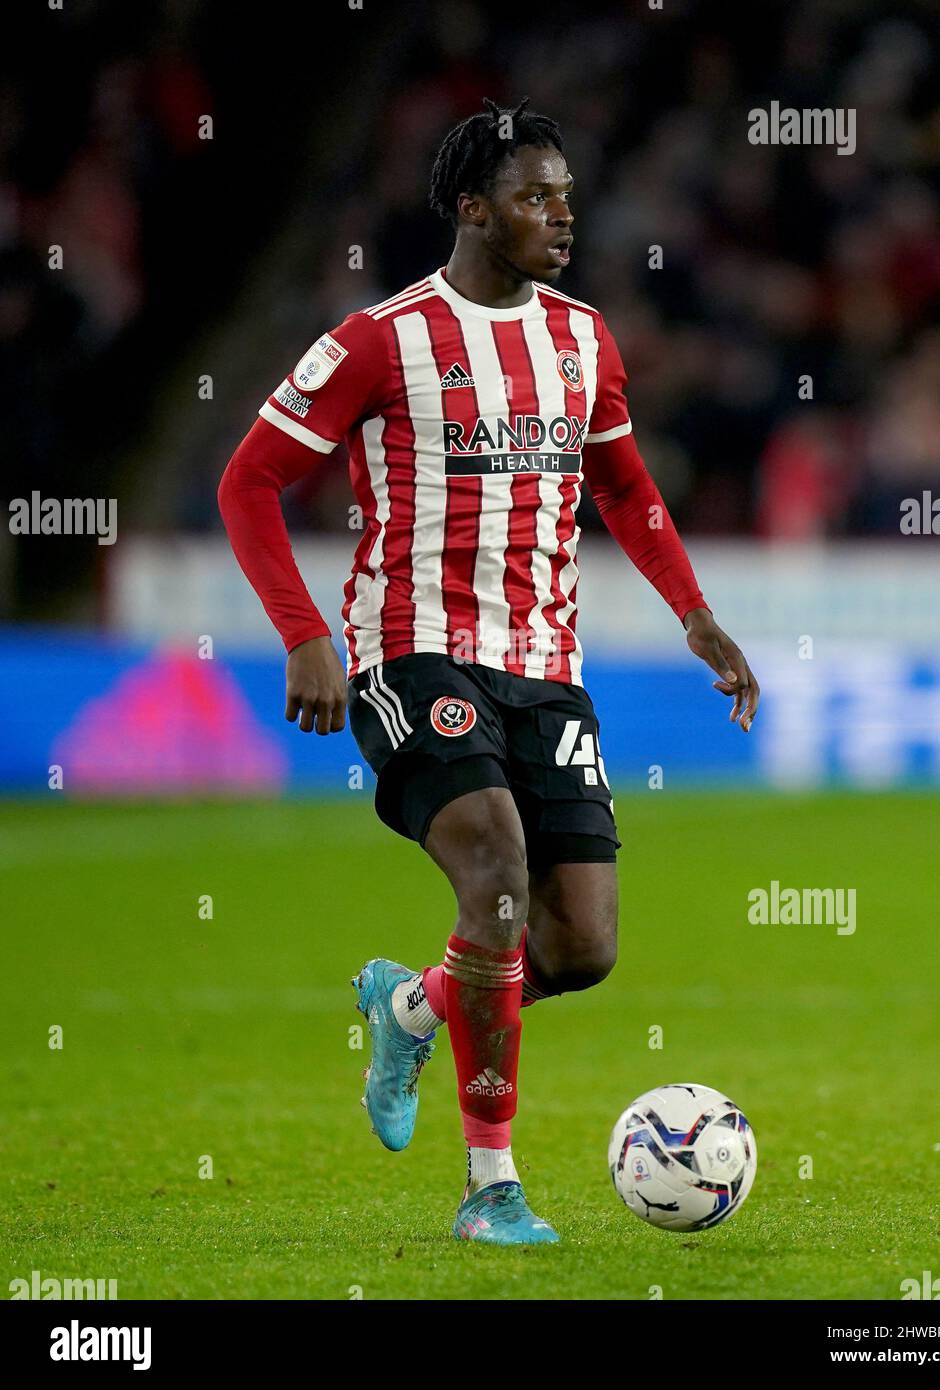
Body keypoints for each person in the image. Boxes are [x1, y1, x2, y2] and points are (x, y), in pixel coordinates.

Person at [218, 97, 760, 1246]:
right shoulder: (378, 340)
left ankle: (409, 1003)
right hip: (410, 651)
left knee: (579, 946)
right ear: (472, 208)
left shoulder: (583, 337)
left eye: (565, 194)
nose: (560, 215)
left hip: (545, 663)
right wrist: (303, 631)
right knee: (497, 865)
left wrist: (696, 614)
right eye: (533, 197)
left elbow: (623, 486)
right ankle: (490, 1187)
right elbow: (247, 482)